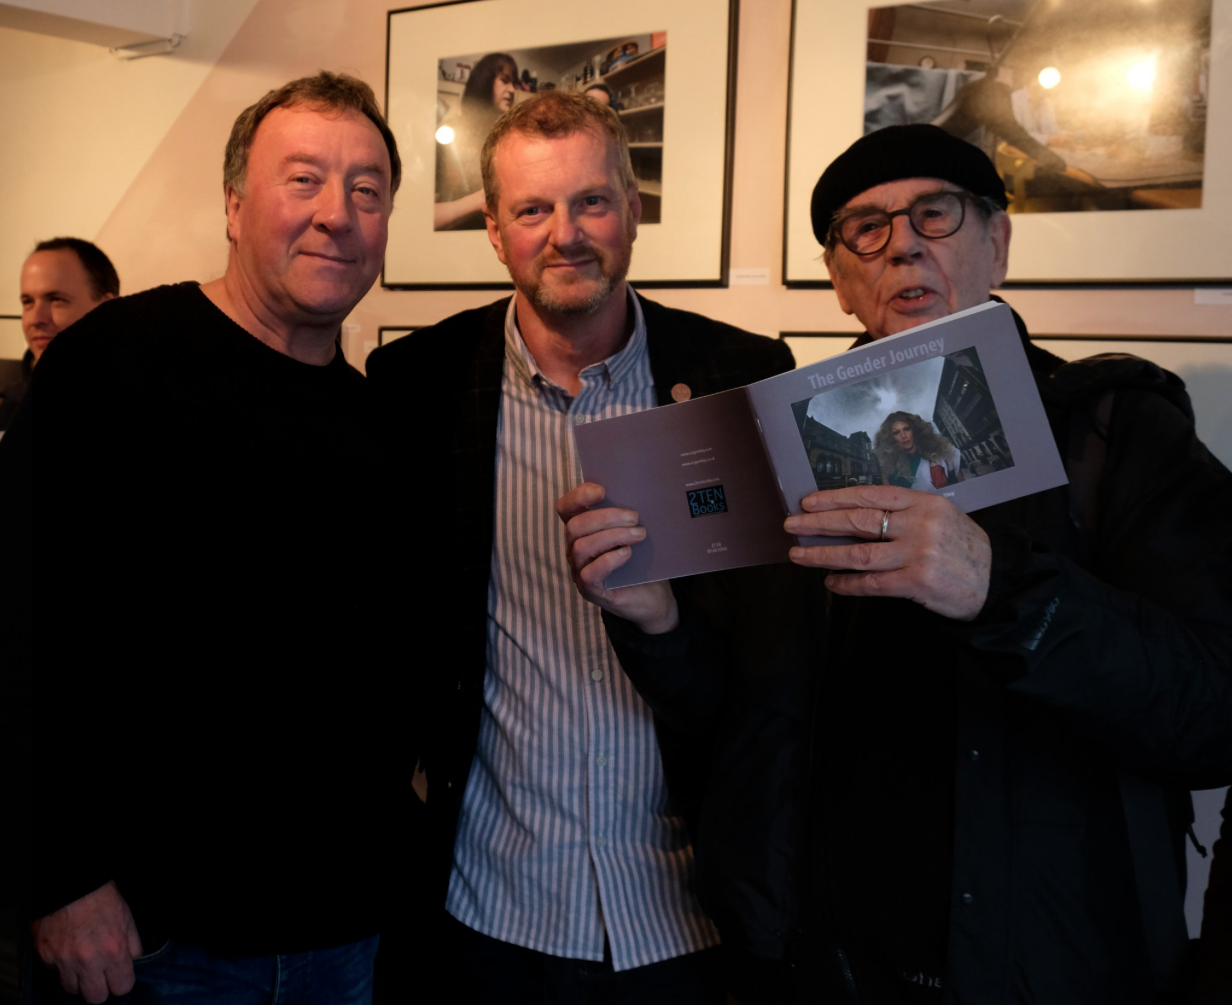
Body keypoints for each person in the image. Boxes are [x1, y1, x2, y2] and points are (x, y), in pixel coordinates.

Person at [561, 123, 1232, 1003]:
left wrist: (1000, 584)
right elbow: (730, 716)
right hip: (826, 964)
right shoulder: (782, 448)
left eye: (935, 213)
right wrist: (659, 623)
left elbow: (1213, 712)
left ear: (997, 242)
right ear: (840, 281)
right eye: (865, 229)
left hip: (1049, 969)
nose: (903, 244)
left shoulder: (1118, 430)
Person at [366, 90, 792, 1003]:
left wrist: (663, 619)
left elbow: (772, 668)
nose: (566, 234)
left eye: (592, 201)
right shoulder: (417, 384)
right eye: (533, 209)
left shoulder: (741, 375)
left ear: (632, 210)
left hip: (690, 911)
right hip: (488, 907)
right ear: (493, 230)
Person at [10, 71, 412, 1005]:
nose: (337, 213)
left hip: (340, 933)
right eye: (303, 180)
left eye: (366, 190)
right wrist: (58, 876)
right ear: (234, 206)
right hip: (147, 939)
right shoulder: (112, 364)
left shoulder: (378, 422)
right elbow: (20, 624)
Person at [1, 238, 118, 431]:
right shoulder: (8, 409)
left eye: (56, 299)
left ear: (107, 308)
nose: (35, 319)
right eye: (28, 302)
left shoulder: (150, 401)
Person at [435, 52, 519, 231]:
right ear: (485, 82)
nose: (512, 90)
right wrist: (485, 198)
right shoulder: (451, 132)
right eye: (505, 80)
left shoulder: (511, 135)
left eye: (514, 83)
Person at [874, 410, 962, 490]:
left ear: (914, 430)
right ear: (891, 438)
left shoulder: (942, 451)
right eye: (896, 433)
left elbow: (963, 487)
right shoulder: (890, 470)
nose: (903, 436)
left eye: (907, 429)